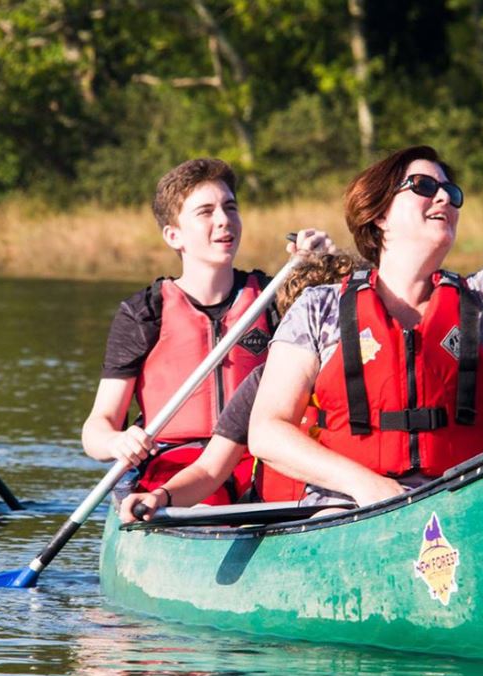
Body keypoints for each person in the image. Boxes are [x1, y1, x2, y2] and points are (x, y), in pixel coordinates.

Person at [247, 88, 483, 509]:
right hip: (347, 510)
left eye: (451, 192)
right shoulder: (319, 308)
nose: (444, 197)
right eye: (423, 186)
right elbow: (266, 430)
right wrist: (367, 486)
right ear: (380, 214)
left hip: (465, 506)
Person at [80, 158, 332, 505]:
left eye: (230, 207)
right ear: (174, 235)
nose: (224, 220)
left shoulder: (276, 298)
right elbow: (97, 428)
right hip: (177, 462)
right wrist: (116, 442)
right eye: (205, 212)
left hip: (260, 455)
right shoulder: (145, 312)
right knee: (208, 500)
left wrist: (322, 269)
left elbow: (339, 326)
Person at [117, 253, 365, 522]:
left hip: (359, 504)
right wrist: (161, 496)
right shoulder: (263, 382)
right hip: (280, 515)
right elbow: (210, 470)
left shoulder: (379, 374)